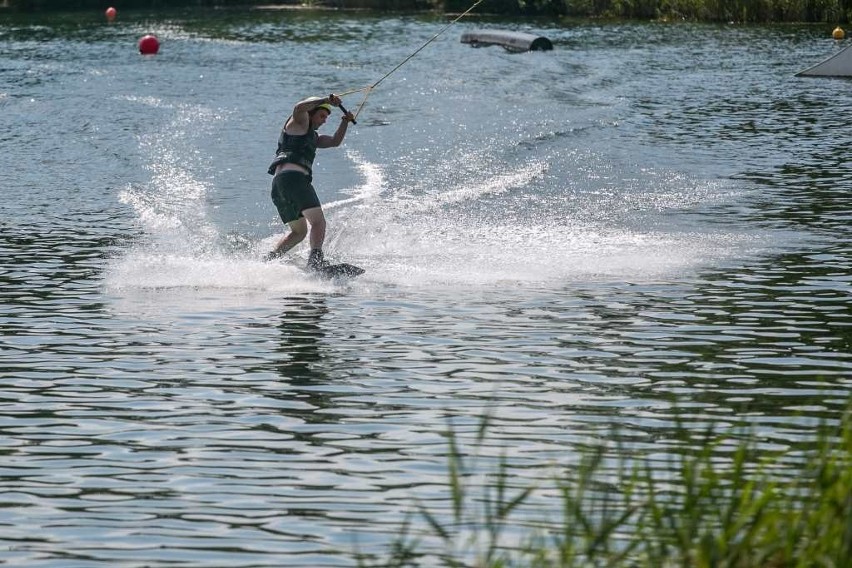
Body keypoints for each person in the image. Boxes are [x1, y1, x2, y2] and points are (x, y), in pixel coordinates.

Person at [263, 93, 355, 271]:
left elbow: (335, 142)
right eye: (322, 116)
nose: (324, 121)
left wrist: (345, 121)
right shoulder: (298, 122)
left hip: (279, 186)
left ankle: (266, 263)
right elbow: (299, 107)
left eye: (327, 118)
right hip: (295, 180)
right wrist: (326, 100)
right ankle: (315, 263)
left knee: (299, 232)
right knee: (318, 222)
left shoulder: (314, 137)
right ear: (311, 113)